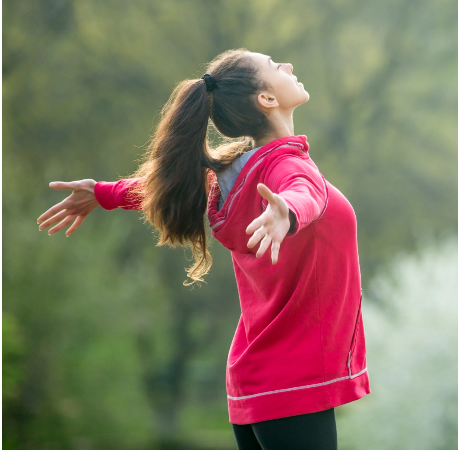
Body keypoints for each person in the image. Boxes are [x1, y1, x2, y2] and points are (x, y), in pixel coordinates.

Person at [36, 49, 369, 450]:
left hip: (257, 385)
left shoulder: (237, 174)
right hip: (292, 385)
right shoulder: (286, 166)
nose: (289, 66)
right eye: (275, 66)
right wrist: (289, 214)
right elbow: (304, 192)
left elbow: (170, 187)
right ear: (266, 99)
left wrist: (104, 193)